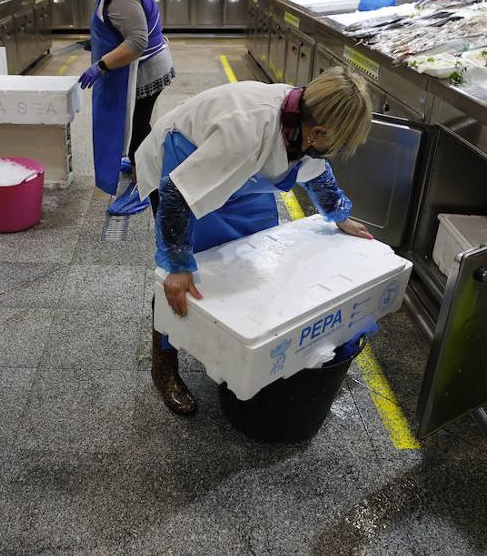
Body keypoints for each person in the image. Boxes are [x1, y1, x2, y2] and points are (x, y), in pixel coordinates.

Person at [135, 69, 375, 414]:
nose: (331, 153)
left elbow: (316, 169)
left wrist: (338, 214)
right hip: (187, 167)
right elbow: (177, 195)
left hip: (244, 177)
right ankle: (164, 362)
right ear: (317, 131)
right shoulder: (247, 131)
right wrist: (175, 265)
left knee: (251, 264)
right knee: (193, 281)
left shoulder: (302, 119)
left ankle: (232, 352)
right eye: (333, 146)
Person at [78, 0, 175, 214]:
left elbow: (136, 41)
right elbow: (120, 30)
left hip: (148, 69)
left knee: (139, 132)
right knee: (138, 125)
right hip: (150, 63)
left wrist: (102, 65)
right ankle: (138, 166)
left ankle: (144, 186)